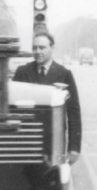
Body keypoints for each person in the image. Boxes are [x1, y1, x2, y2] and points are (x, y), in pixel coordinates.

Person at [13, 31, 82, 164]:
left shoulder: (64, 74)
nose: (37, 51)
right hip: (26, 142)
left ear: (52, 48)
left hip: (54, 142)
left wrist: (74, 147)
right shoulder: (22, 72)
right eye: (34, 48)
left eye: (42, 47)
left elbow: (73, 112)